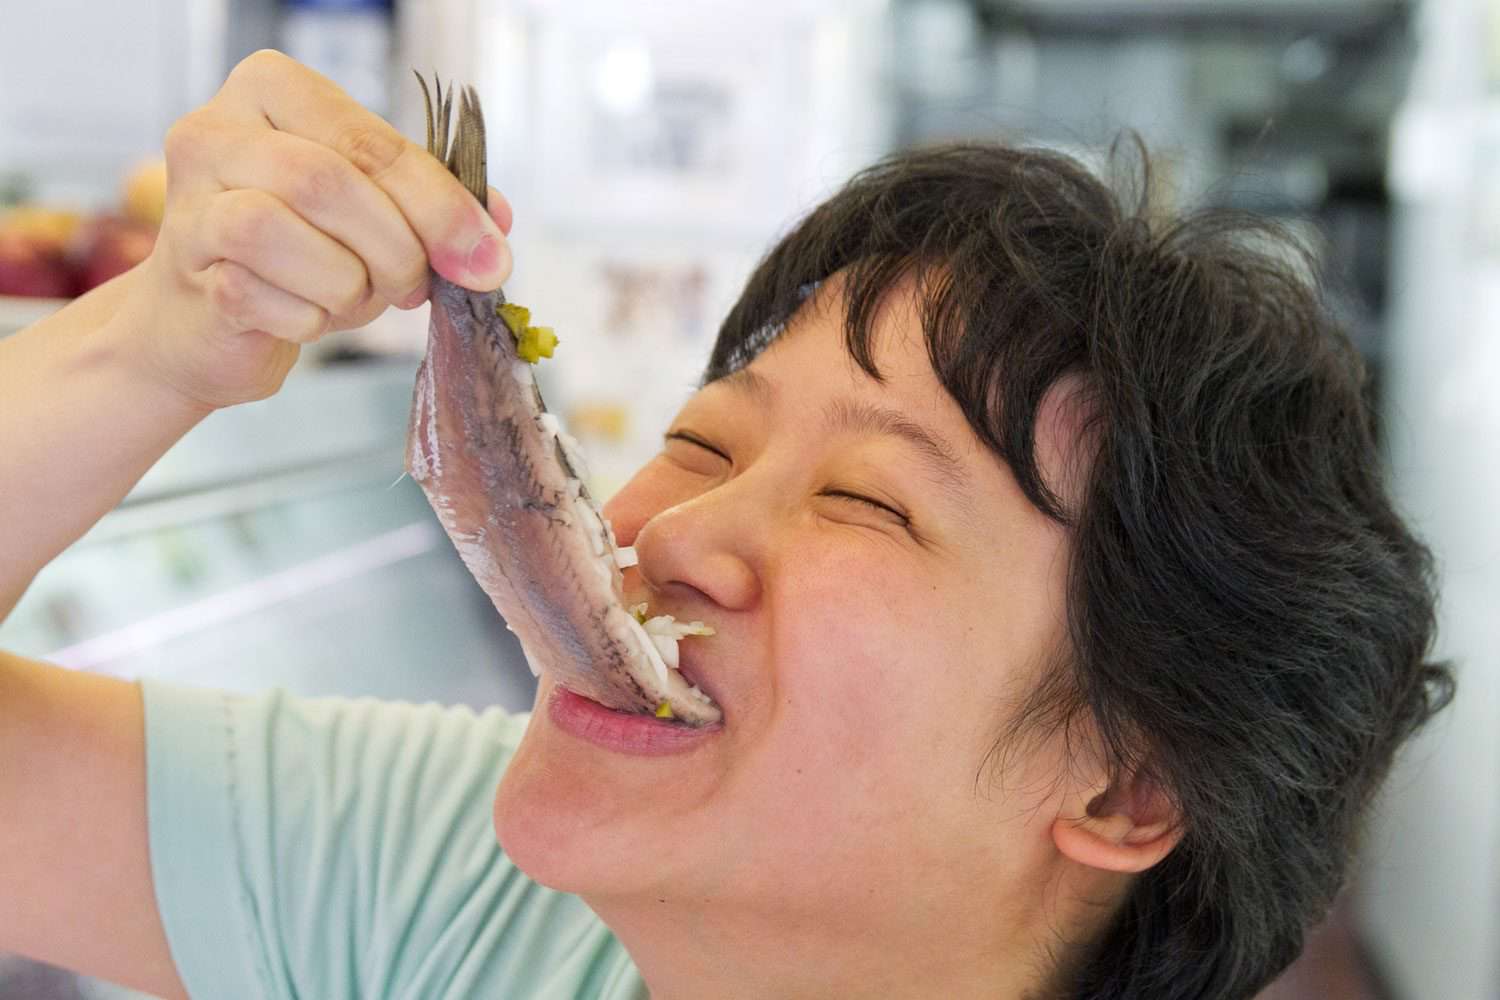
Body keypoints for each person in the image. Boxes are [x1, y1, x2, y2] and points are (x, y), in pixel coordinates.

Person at [0, 50, 1451, 1000]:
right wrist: (152, 346)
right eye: (703, 438)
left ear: (1124, 792)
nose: (676, 530)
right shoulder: (460, 882)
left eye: (869, 503)